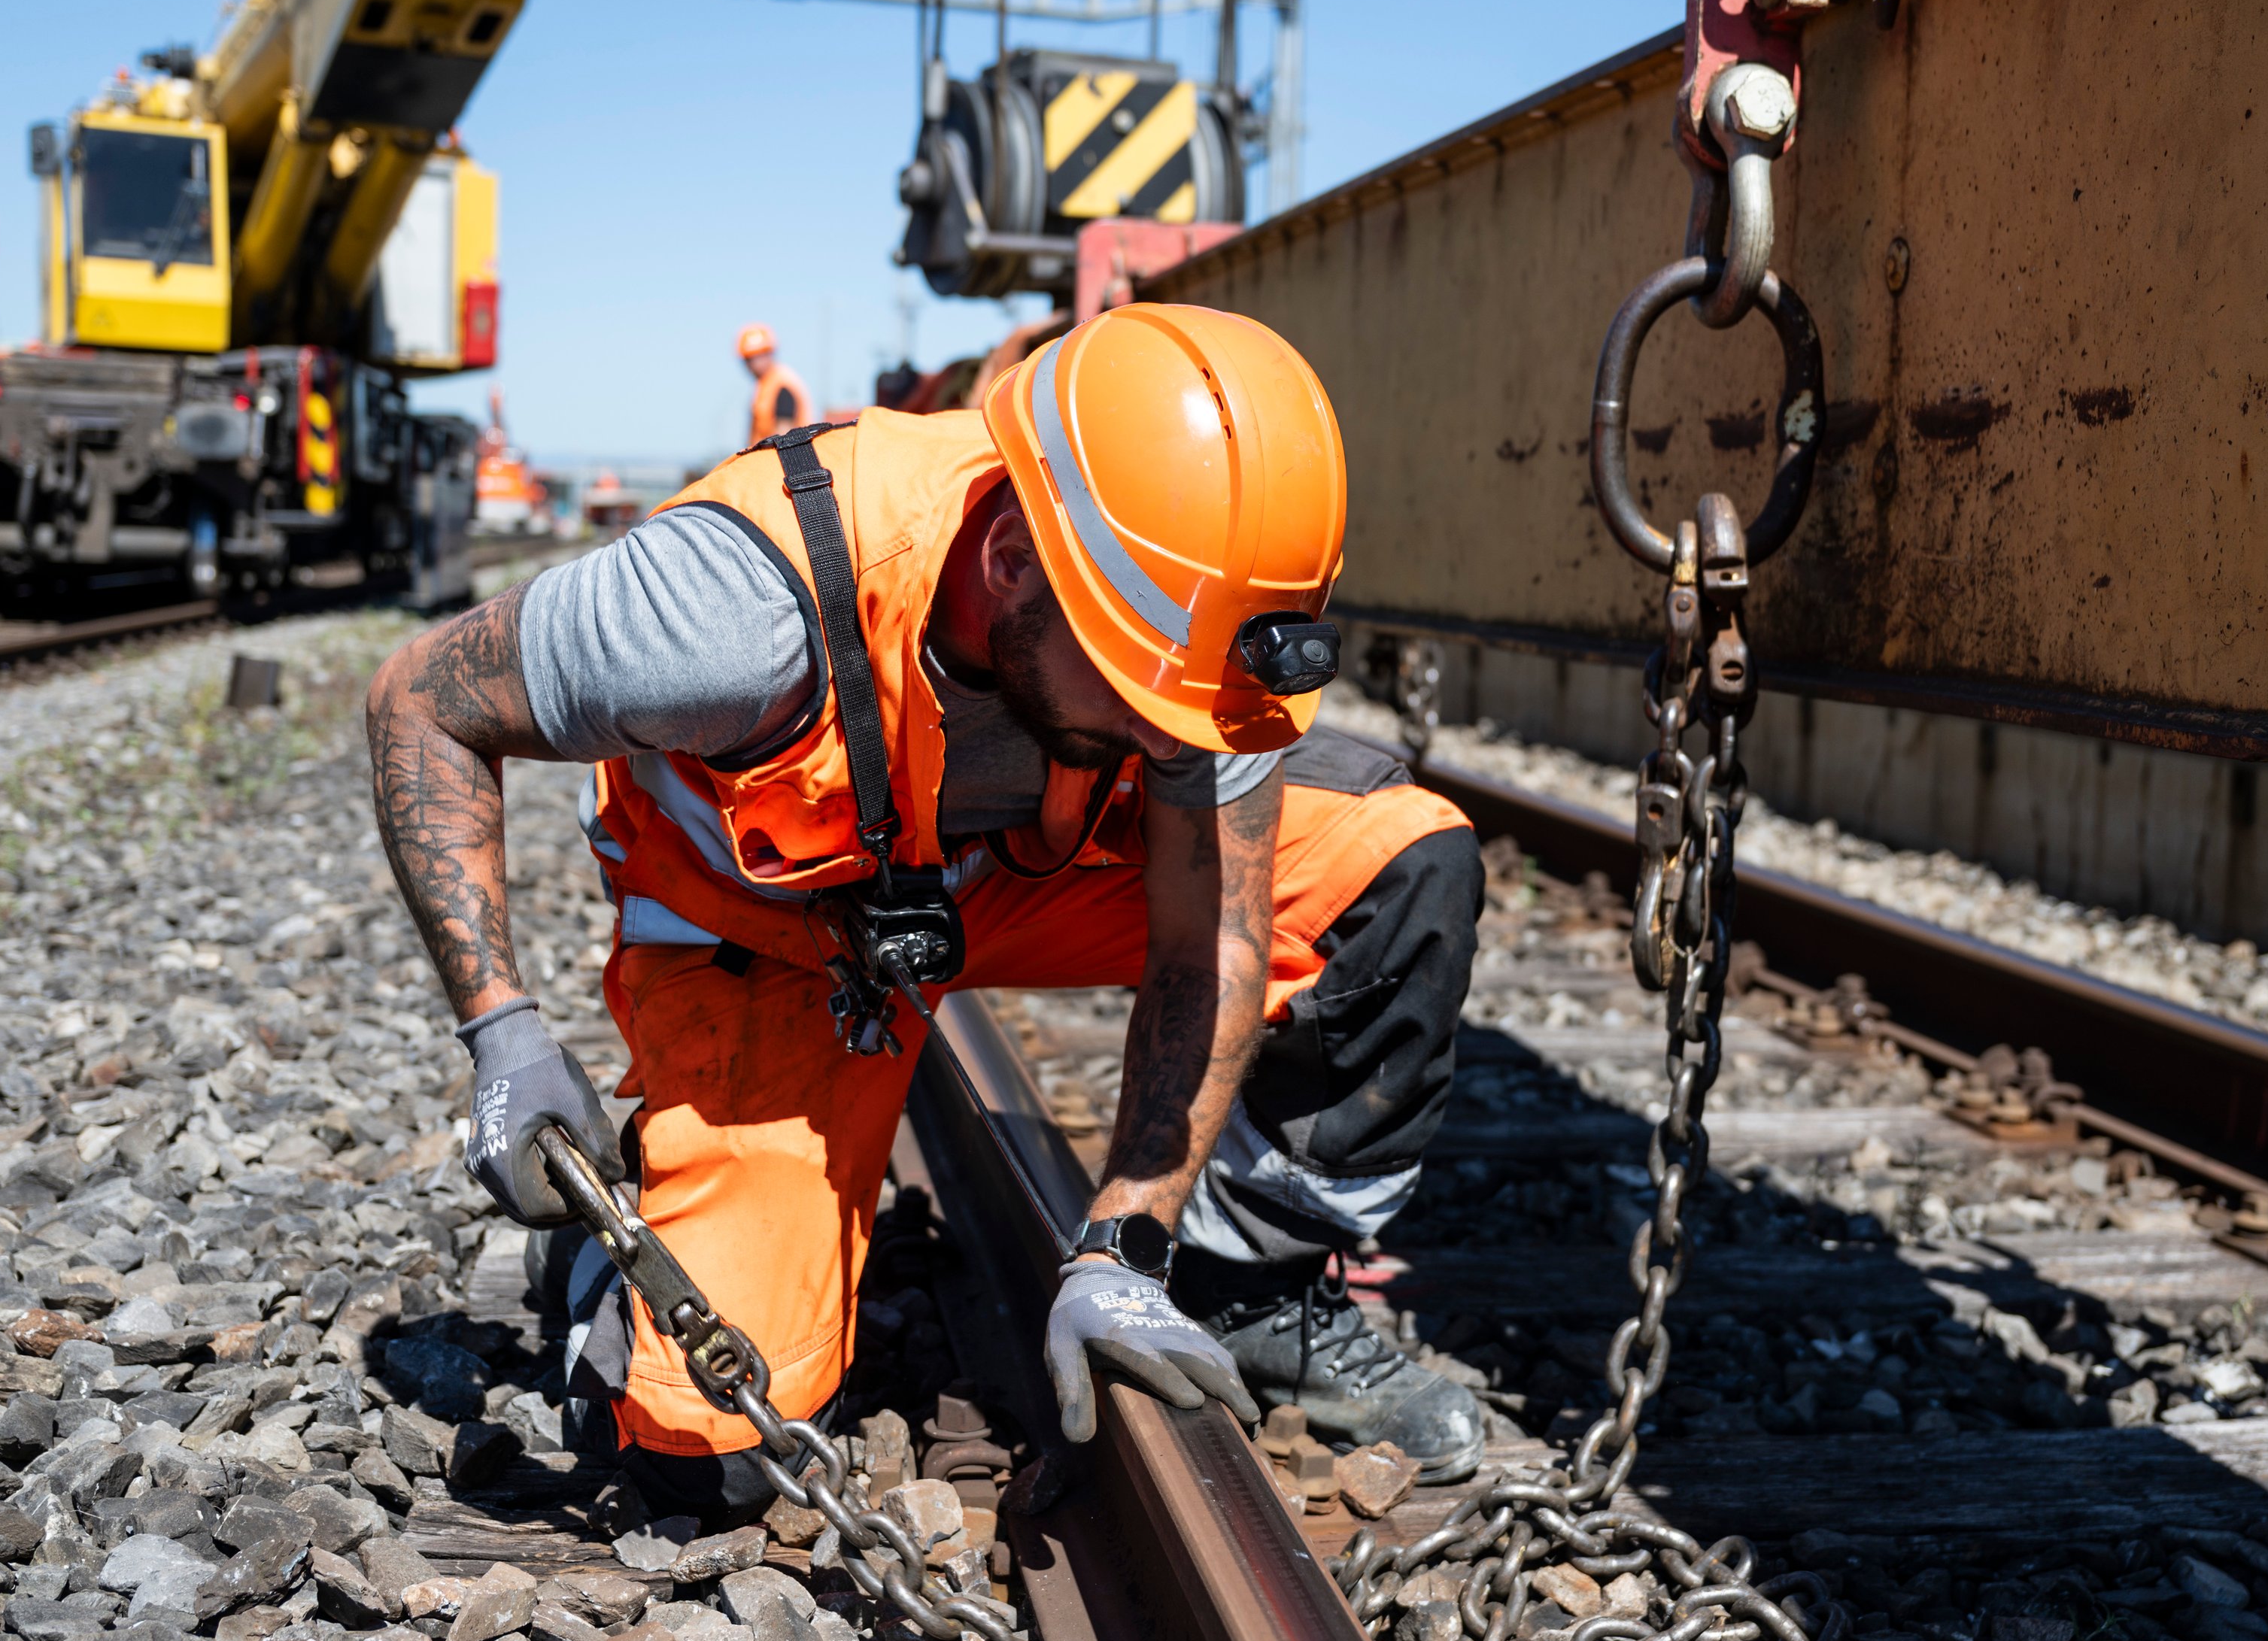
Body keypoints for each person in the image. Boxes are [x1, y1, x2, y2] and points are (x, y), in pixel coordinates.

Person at [368, 303, 1487, 1526]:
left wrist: (1127, 1242)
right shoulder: (730, 608)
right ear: (1012, 560)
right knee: (713, 1445)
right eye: (1133, 696)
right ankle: (605, 1254)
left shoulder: (1190, 627)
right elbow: (420, 700)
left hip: (1007, 878)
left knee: (1397, 858)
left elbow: (1210, 932)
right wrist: (502, 1033)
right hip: (776, 939)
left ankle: (1253, 1288)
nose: (1169, 741)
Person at [736, 322, 815, 443]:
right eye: (750, 359)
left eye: (760, 356)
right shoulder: (765, 386)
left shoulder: (782, 385)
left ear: (770, 354)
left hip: (789, 458)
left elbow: (784, 437)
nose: (755, 364)